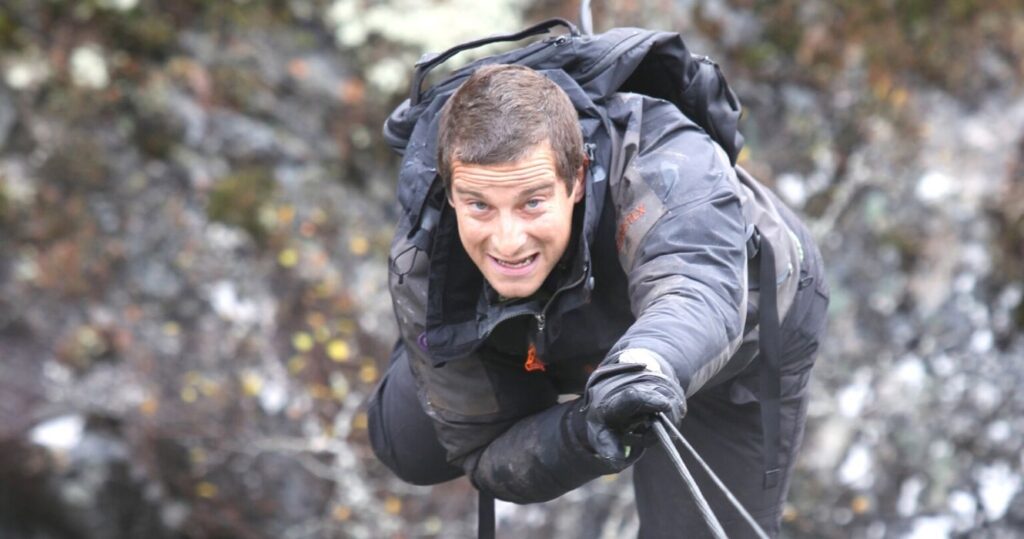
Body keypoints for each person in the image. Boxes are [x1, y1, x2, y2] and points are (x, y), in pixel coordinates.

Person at [367, 63, 829, 537]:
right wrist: (585, 431)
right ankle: (476, 350)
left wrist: (645, 367)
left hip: (736, 331)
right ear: (450, 193)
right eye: (479, 205)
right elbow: (483, 453)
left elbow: (697, 289)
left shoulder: (668, 165)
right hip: (553, 331)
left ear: (578, 179)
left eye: (532, 202)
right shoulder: (423, 253)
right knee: (409, 444)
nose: (507, 241)